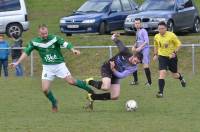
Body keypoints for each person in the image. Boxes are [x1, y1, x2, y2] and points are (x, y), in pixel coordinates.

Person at [10, 24, 94, 112]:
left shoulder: (54, 38)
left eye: (46, 33)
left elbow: (65, 44)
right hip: (47, 68)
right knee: (45, 89)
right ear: (39, 33)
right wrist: (17, 62)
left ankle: (89, 89)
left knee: (71, 81)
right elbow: (26, 52)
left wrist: (73, 50)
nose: (45, 35)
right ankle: (54, 102)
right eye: (43, 34)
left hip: (59, 65)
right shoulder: (34, 42)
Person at [84, 33, 143, 110]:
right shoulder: (125, 51)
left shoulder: (134, 67)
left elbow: (121, 75)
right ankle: (90, 81)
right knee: (105, 87)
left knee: (115, 96)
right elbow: (118, 42)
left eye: (138, 62)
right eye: (136, 60)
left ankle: (92, 97)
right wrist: (114, 37)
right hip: (107, 68)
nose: (135, 63)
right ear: (134, 55)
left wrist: (113, 69)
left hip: (115, 74)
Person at [153, 21, 186, 98]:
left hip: (172, 57)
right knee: (162, 73)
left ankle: (181, 78)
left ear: (166, 28)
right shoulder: (156, 36)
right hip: (162, 57)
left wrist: (174, 53)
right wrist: (155, 54)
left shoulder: (171, 35)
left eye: (162, 28)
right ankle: (160, 92)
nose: (160, 30)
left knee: (175, 75)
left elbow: (179, 44)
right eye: (159, 29)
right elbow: (156, 46)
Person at [131, 18, 152, 86]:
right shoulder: (137, 32)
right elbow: (137, 41)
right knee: (133, 62)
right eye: (136, 23)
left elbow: (146, 41)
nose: (137, 24)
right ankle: (135, 81)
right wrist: (134, 46)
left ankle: (149, 82)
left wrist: (140, 47)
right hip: (139, 51)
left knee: (145, 65)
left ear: (141, 24)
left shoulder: (144, 31)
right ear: (134, 24)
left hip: (145, 50)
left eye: (138, 23)